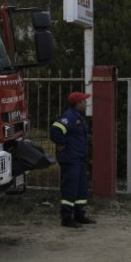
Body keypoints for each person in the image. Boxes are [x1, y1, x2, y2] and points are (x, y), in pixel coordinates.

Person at [49, 91, 95, 228]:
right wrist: (61, 144)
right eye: (84, 101)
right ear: (78, 104)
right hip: (70, 159)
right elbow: (55, 130)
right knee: (70, 187)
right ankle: (66, 218)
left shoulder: (78, 117)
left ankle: (79, 214)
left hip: (78, 158)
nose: (86, 103)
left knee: (81, 188)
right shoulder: (69, 117)